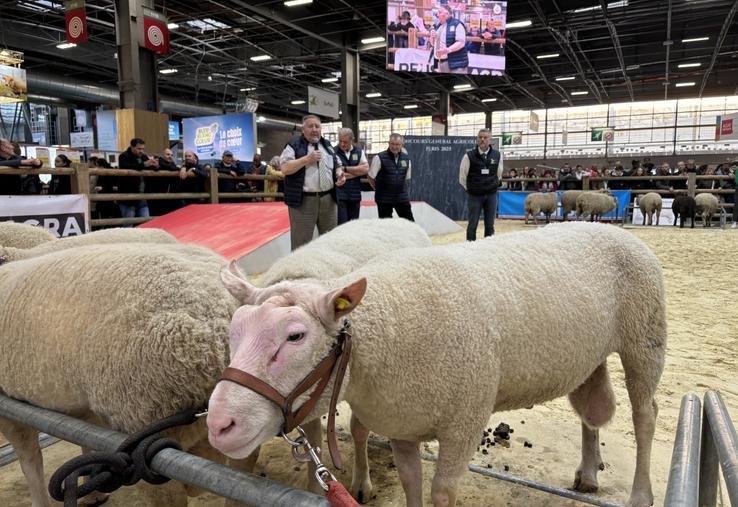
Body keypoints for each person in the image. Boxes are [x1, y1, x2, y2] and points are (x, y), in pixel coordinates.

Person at [280, 114, 346, 250]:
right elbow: (285, 168)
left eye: (317, 126)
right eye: (310, 126)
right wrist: (307, 159)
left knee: (330, 240)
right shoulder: (293, 145)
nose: (314, 129)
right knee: (301, 243)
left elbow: (337, 165)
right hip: (303, 201)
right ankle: (299, 272)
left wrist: (340, 174)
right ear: (303, 130)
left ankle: (327, 269)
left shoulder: (327, 145)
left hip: (328, 199)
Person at [459, 128, 503, 240]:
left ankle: (488, 249)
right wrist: (471, 190)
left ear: (490, 140)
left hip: (491, 195)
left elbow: (499, 174)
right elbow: (462, 177)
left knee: (490, 225)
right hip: (475, 196)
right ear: (477, 140)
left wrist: (492, 186)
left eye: (485, 137)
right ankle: (470, 248)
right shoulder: (468, 156)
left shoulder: (497, 155)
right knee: (472, 225)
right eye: (480, 137)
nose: (482, 139)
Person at [369, 133, 414, 221]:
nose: (394, 147)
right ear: (388, 143)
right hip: (384, 199)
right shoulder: (379, 158)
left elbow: (406, 178)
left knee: (410, 223)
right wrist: (377, 189)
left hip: (401, 198)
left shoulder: (407, 159)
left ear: (402, 145)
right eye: (392, 144)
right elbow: (371, 177)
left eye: (397, 144)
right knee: (386, 227)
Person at [117, 137, 159, 221]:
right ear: (132, 147)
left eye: (143, 149)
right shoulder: (123, 156)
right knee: (128, 224)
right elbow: (126, 166)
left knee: (147, 222)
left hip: (142, 196)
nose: (141, 151)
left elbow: (150, 166)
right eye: (139, 149)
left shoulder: (143, 156)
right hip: (128, 197)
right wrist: (144, 165)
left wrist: (156, 166)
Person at [334, 127, 369, 225]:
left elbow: (365, 169)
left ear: (351, 140)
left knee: (354, 226)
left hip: (355, 196)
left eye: (345, 142)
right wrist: (357, 172)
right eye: (340, 141)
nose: (342, 144)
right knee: (342, 225)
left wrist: (345, 169)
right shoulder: (333, 152)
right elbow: (337, 175)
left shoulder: (359, 151)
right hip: (340, 196)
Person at [432, 4, 468, 74]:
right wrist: (432, 38)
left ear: (446, 14)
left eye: (439, 12)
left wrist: (448, 50)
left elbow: (461, 42)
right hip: (441, 61)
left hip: (456, 63)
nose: (437, 14)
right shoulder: (439, 26)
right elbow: (434, 43)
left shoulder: (457, 24)